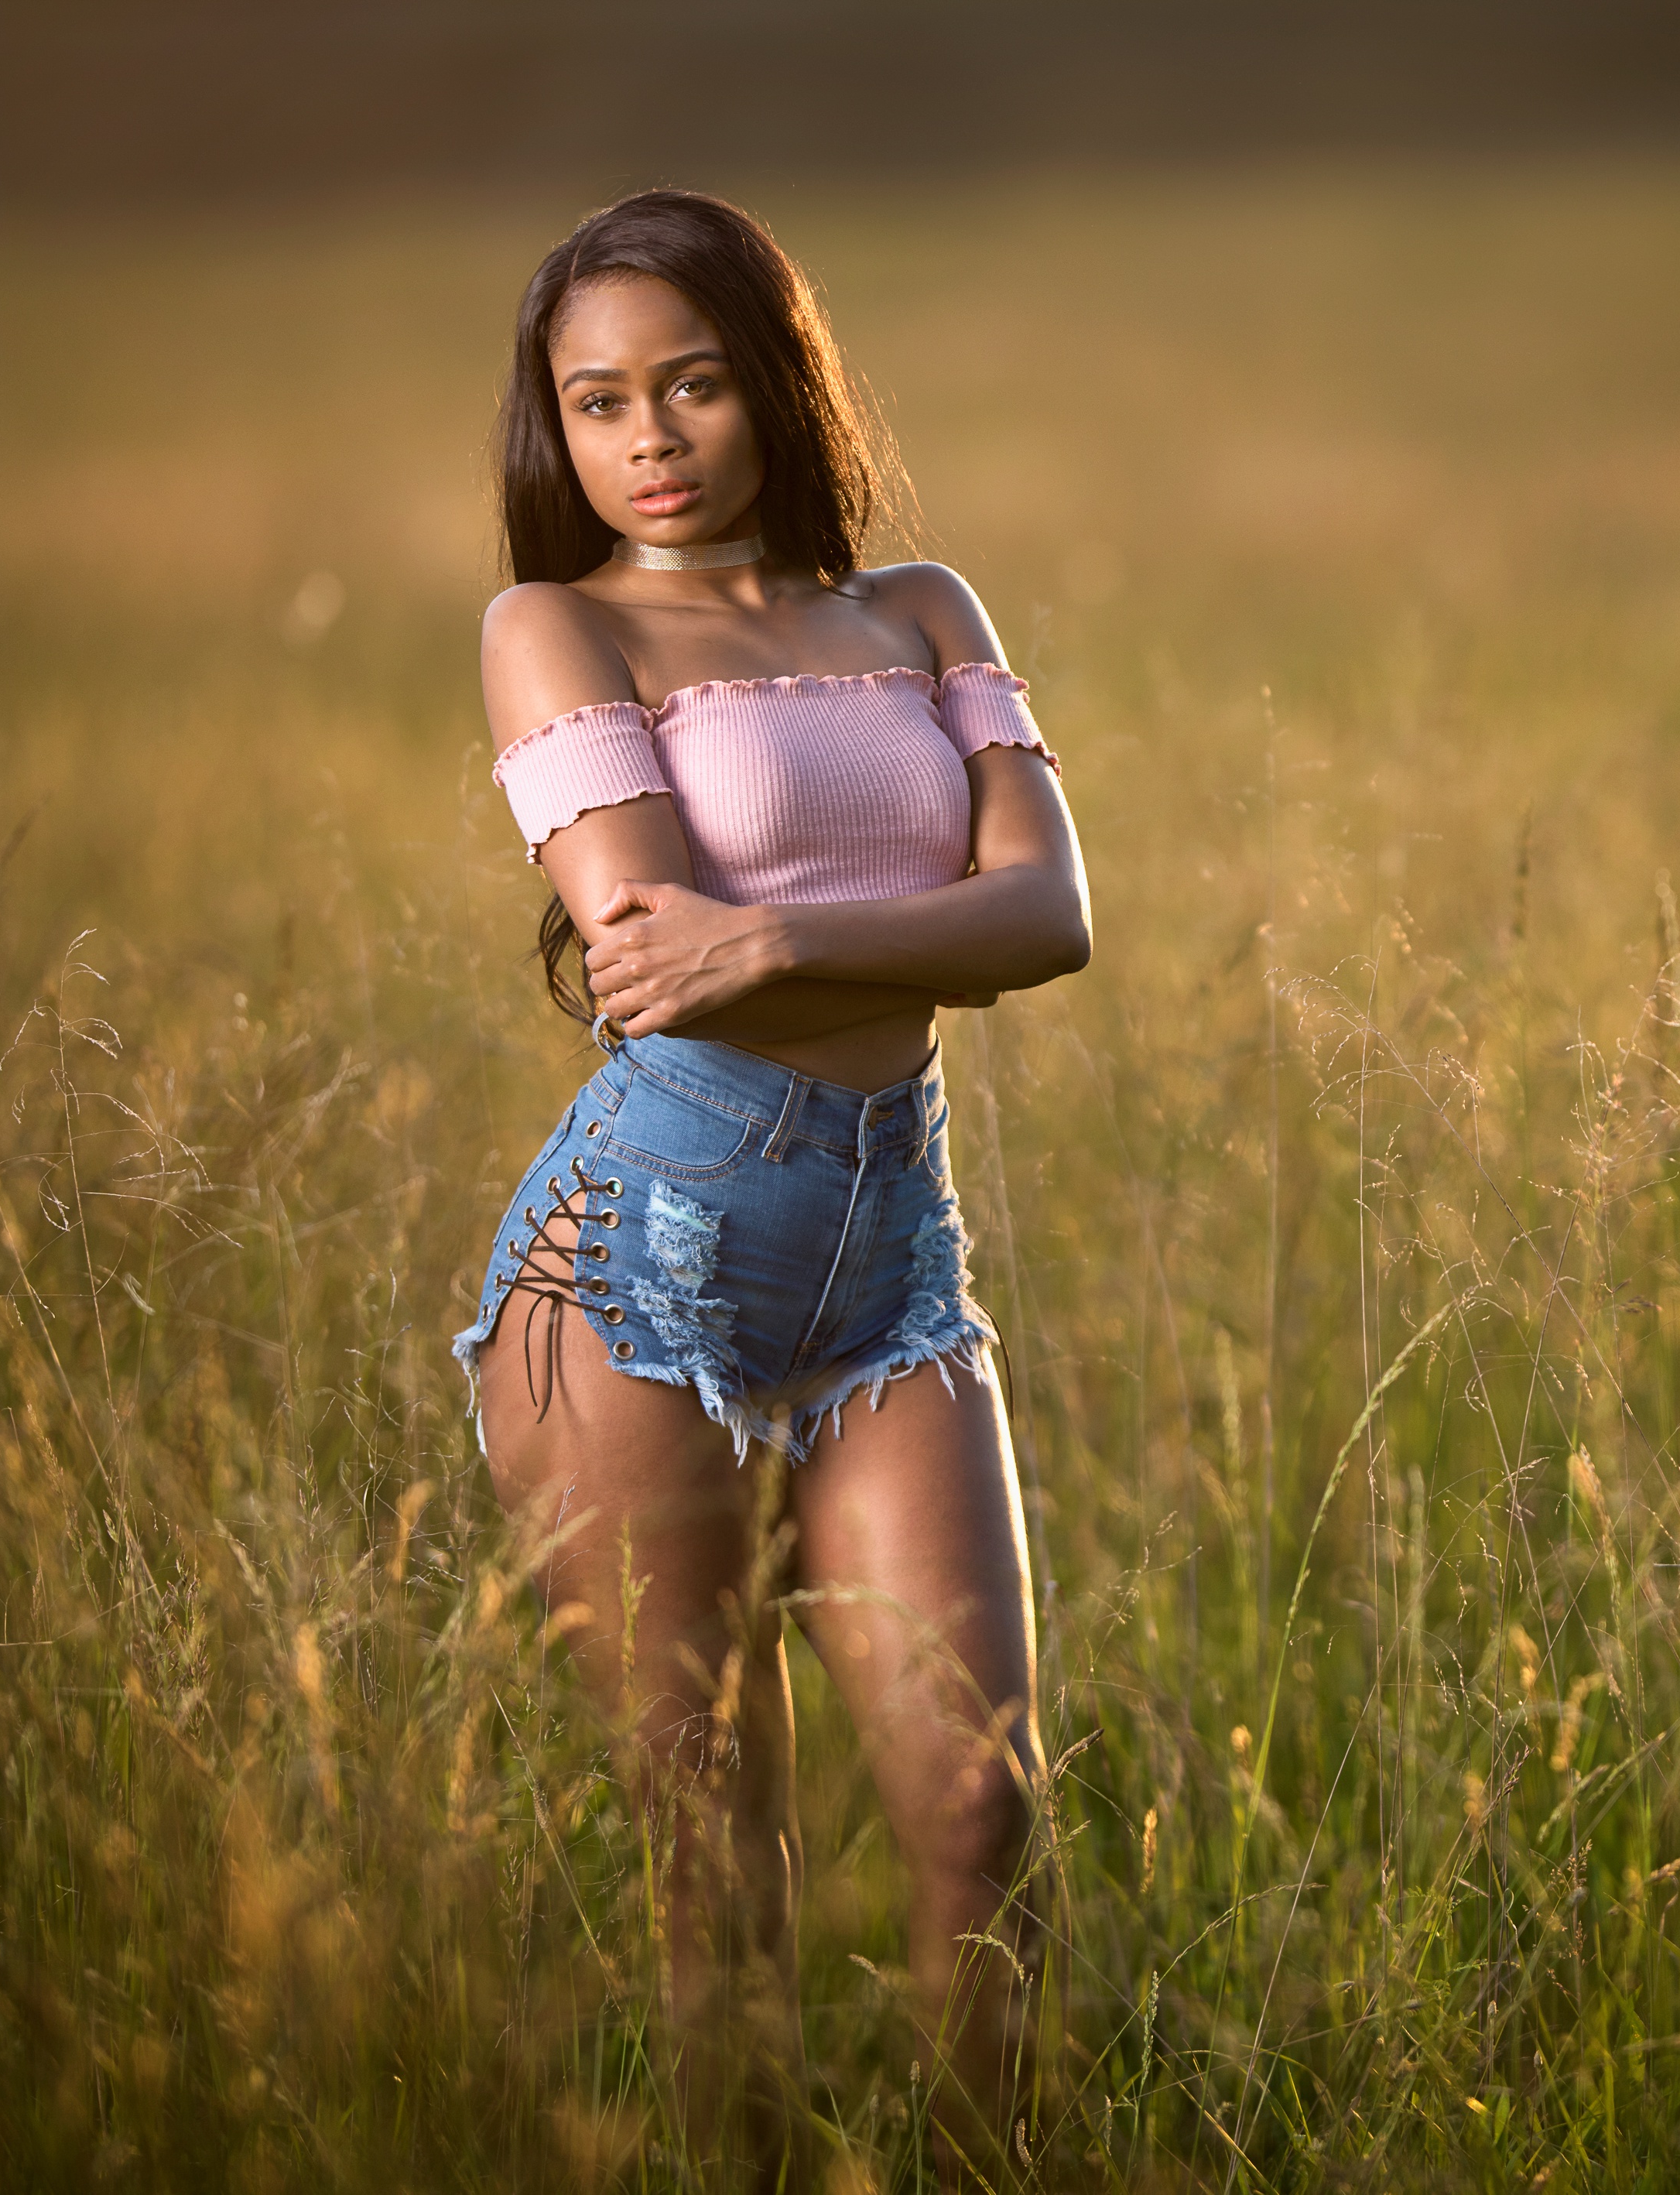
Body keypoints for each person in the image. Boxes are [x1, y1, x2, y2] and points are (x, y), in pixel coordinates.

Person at [449, 187, 1091, 2180]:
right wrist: (889, 925)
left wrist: (778, 942)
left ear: (773, 383)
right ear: (556, 431)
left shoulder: (921, 610)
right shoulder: (551, 625)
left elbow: (1053, 914)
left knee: (983, 1813)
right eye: (597, 402)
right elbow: (652, 940)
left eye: (692, 383)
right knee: (715, 1858)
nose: (646, 436)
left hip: (899, 1242)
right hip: (641, 1258)